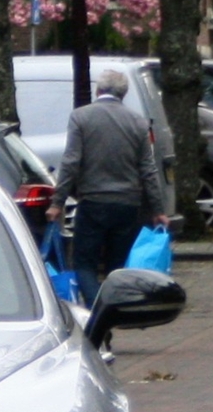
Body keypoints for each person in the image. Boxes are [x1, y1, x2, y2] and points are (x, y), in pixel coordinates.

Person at [47, 68, 171, 302]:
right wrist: (158, 210)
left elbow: (71, 161)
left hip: (93, 202)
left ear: (98, 90)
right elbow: (148, 169)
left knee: (84, 264)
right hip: (127, 205)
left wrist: (57, 203)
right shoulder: (138, 122)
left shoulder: (81, 117)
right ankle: (112, 308)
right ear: (123, 95)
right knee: (117, 265)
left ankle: (95, 309)